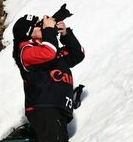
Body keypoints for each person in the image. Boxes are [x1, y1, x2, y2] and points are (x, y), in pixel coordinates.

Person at [12, 13, 85, 142]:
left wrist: (65, 34)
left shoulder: (51, 51)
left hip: (57, 110)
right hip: (44, 109)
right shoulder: (25, 51)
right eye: (37, 25)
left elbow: (78, 54)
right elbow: (48, 53)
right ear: (28, 32)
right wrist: (49, 31)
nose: (42, 26)